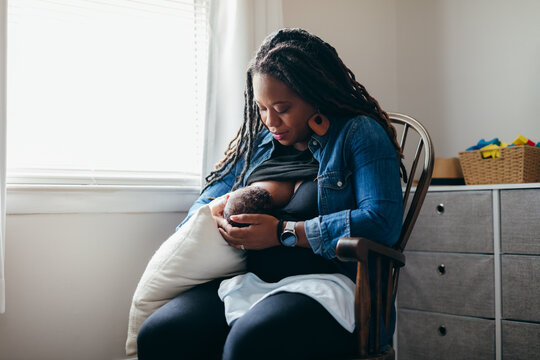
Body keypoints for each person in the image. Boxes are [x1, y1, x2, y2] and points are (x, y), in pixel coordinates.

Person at [137, 28, 404, 359]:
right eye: (262, 108)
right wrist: (221, 214)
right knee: (160, 334)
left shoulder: (357, 133)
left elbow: (382, 221)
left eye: (282, 107)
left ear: (316, 95)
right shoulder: (260, 143)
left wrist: (283, 233)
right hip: (249, 280)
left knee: (249, 344)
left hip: (328, 284)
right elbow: (203, 204)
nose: (270, 121)